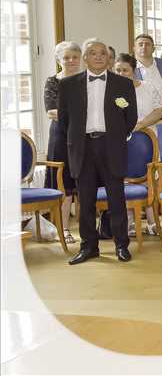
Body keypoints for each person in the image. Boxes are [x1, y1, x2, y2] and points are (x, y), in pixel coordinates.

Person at [59, 39, 137, 265]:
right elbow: (64, 121)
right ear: (85, 58)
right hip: (82, 147)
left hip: (111, 146)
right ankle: (88, 247)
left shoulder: (123, 84)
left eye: (103, 53)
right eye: (93, 53)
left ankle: (121, 245)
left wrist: (115, 136)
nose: (99, 56)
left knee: (116, 199)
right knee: (85, 201)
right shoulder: (68, 85)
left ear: (109, 58)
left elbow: (131, 118)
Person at [113, 52, 162, 236]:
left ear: (133, 70)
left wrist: (141, 124)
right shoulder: (111, 91)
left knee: (148, 179)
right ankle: (129, 222)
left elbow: (160, 111)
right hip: (122, 142)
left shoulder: (147, 88)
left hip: (147, 139)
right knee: (125, 180)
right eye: (117, 70)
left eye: (125, 70)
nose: (121, 74)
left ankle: (152, 221)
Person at [44, 41, 82, 243]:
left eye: (75, 57)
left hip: (84, 138)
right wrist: (79, 114)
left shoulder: (87, 80)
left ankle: (88, 230)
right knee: (64, 186)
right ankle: (64, 230)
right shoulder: (53, 82)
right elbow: (52, 111)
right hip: (61, 138)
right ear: (59, 60)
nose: (71, 61)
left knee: (85, 185)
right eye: (66, 57)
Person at [133, 33, 162, 103]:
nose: (144, 47)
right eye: (140, 44)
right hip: (143, 109)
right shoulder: (130, 67)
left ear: (153, 49)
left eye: (147, 44)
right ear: (134, 49)